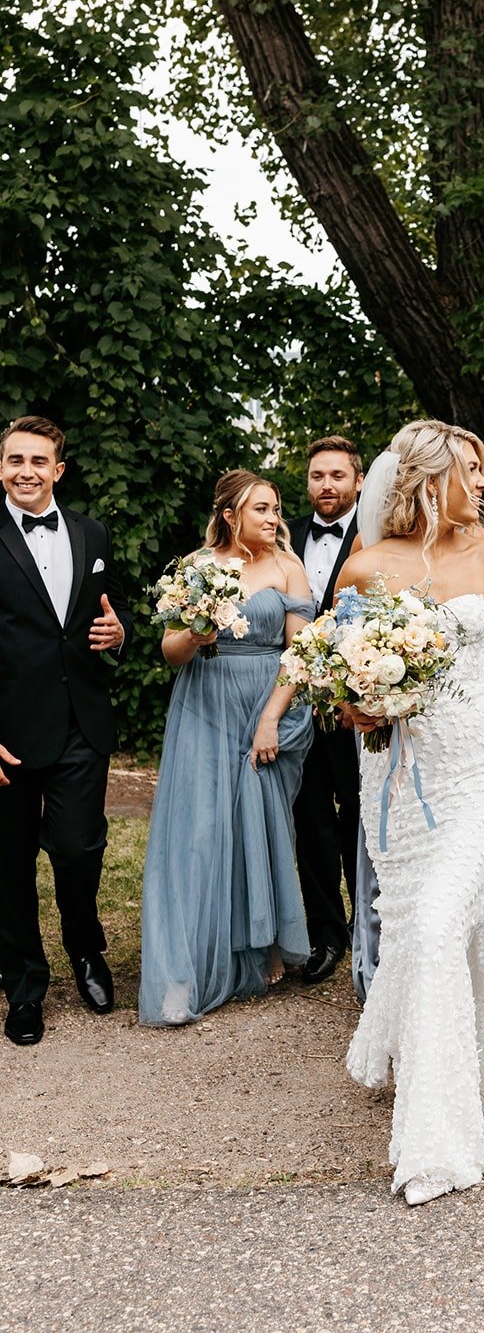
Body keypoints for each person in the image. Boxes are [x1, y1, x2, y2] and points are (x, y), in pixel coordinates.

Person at [337, 420, 484, 1207]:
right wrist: (358, 706)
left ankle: (437, 1139)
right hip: (394, 774)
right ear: (428, 479)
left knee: (434, 924)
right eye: (473, 470)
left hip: (480, 765)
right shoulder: (364, 568)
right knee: (439, 924)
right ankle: (472, 1078)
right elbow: (340, 675)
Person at [139, 471, 315, 1025]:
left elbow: (302, 653)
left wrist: (270, 720)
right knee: (202, 828)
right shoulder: (195, 567)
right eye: (261, 508)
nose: (273, 517)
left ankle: (259, 945)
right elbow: (170, 652)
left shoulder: (289, 567)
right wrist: (195, 633)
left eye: (277, 508)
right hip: (205, 706)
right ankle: (194, 957)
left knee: (260, 823)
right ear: (231, 514)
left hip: (266, 704)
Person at [0, 416, 133, 1048]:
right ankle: (24, 986)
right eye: (13, 459)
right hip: (8, 733)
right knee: (9, 863)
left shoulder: (91, 532)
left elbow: (116, 606)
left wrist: (119, 632)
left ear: (59, 469)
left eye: (37, 460)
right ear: (1, 467)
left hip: (82, 720)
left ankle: (87, 953)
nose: (24, 470)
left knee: (79, 849)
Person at [288, 435, 374, 988]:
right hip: (298, 704)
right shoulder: (284, 535)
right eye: (318, 475)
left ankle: (368, 925)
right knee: (310, 819)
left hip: (362, 707)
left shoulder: (381, 539)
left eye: (337, 476)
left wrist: (352, 696)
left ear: (359, 482)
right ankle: (325, 933)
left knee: (362, 819)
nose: (327, 485)